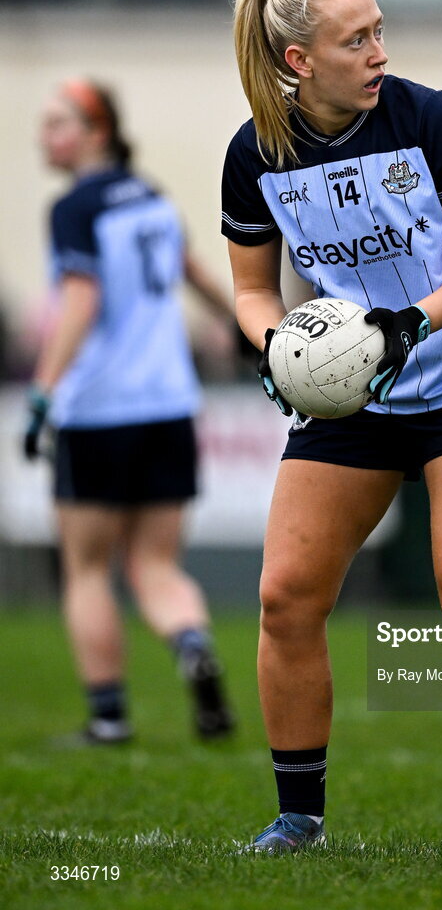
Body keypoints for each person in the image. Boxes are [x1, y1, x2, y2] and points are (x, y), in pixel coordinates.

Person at [223, 0, 442, 858]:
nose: (378, 52)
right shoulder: (256, 153)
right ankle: (298, 820)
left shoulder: (429, 117)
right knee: (285, 598)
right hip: (352, 390)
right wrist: (275, 347)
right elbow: (251, 289)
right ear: (299, 58)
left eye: (378, 30)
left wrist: (410, 323)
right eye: (354, 39)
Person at [24, 78, 236, 744]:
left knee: (87, 568)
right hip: (170, 405)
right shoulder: (150, 196)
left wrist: (42, 390)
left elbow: (80, 303)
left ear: (97, 132)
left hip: (99, 412)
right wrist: (254, 331)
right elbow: (196, 273)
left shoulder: (74, 208)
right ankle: (191, 641)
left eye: (57, 123)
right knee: (157, 566)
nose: (44, 136)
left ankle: (109, 716)